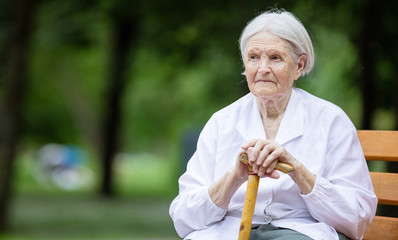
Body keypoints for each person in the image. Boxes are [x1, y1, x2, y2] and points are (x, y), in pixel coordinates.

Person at [169, 9, 377, 240]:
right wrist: (234, 177)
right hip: (230, 231)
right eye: (254, 57)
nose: (262, 68)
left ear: (299, 65)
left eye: (275, 58)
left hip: (300, 231)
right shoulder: (222, 122)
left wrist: (297, 171)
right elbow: (184, 218)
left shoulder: (330, 121)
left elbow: (357, 217)